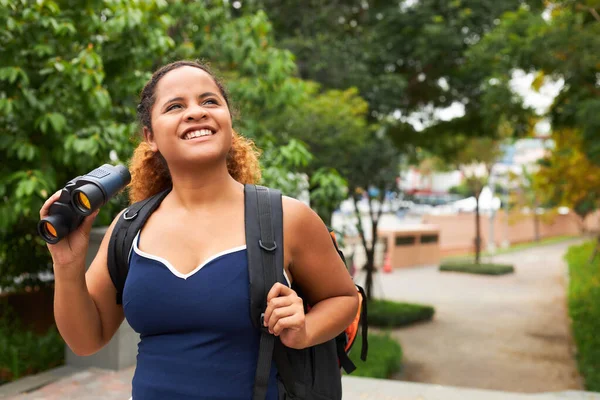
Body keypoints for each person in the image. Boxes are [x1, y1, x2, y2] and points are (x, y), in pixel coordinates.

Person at [39, 60, 359, 399]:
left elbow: (344, 298)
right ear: (150, 137)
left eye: (209, 101)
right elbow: (86, 340)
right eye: (175, 106)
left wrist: (305, 329)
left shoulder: (286, 218)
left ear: (228, 120)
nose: (195, 112)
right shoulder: (130, 228)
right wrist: (67, 265)